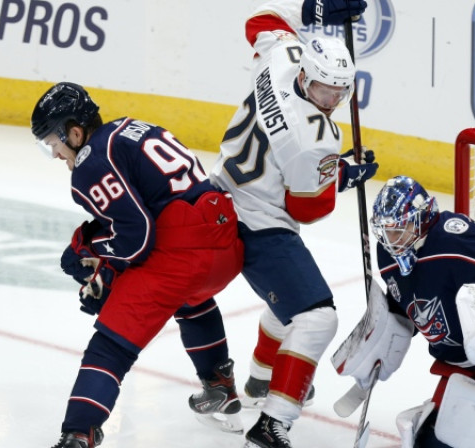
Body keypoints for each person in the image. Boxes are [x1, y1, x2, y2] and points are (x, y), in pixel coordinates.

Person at [31, 82, 245, 448]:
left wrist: (92, 256)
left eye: (54, 142)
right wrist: (106, 262)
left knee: (110, 346)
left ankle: (78, 433)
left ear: (75, 131)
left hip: (183, 251)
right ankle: (219, 384)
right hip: (224, 241)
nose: (55, 154)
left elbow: (137, 237)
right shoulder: (128, 126)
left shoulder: (88, 164)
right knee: (191, 299)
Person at [208, 0, 373, 446]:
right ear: (305, 77)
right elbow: (307, 210)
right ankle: (273, 422)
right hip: (256, 223)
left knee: (291, 304)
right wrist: (342, 175)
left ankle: (262, 381)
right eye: (324, 92)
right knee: (317, 317)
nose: (332, 101)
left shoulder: (281, 56)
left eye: (340, 92)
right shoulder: (316, 138)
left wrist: (312, 10)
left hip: (219, 195)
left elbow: (261, 20)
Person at [332, 175, 475, 447]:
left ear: (421, 219)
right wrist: (381, 338)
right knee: (430, 443)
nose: (391, 240)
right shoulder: (388, 257)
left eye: (398, 230)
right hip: (466, 370)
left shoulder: (453, 240)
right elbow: (403, 306)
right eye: (385, 231)